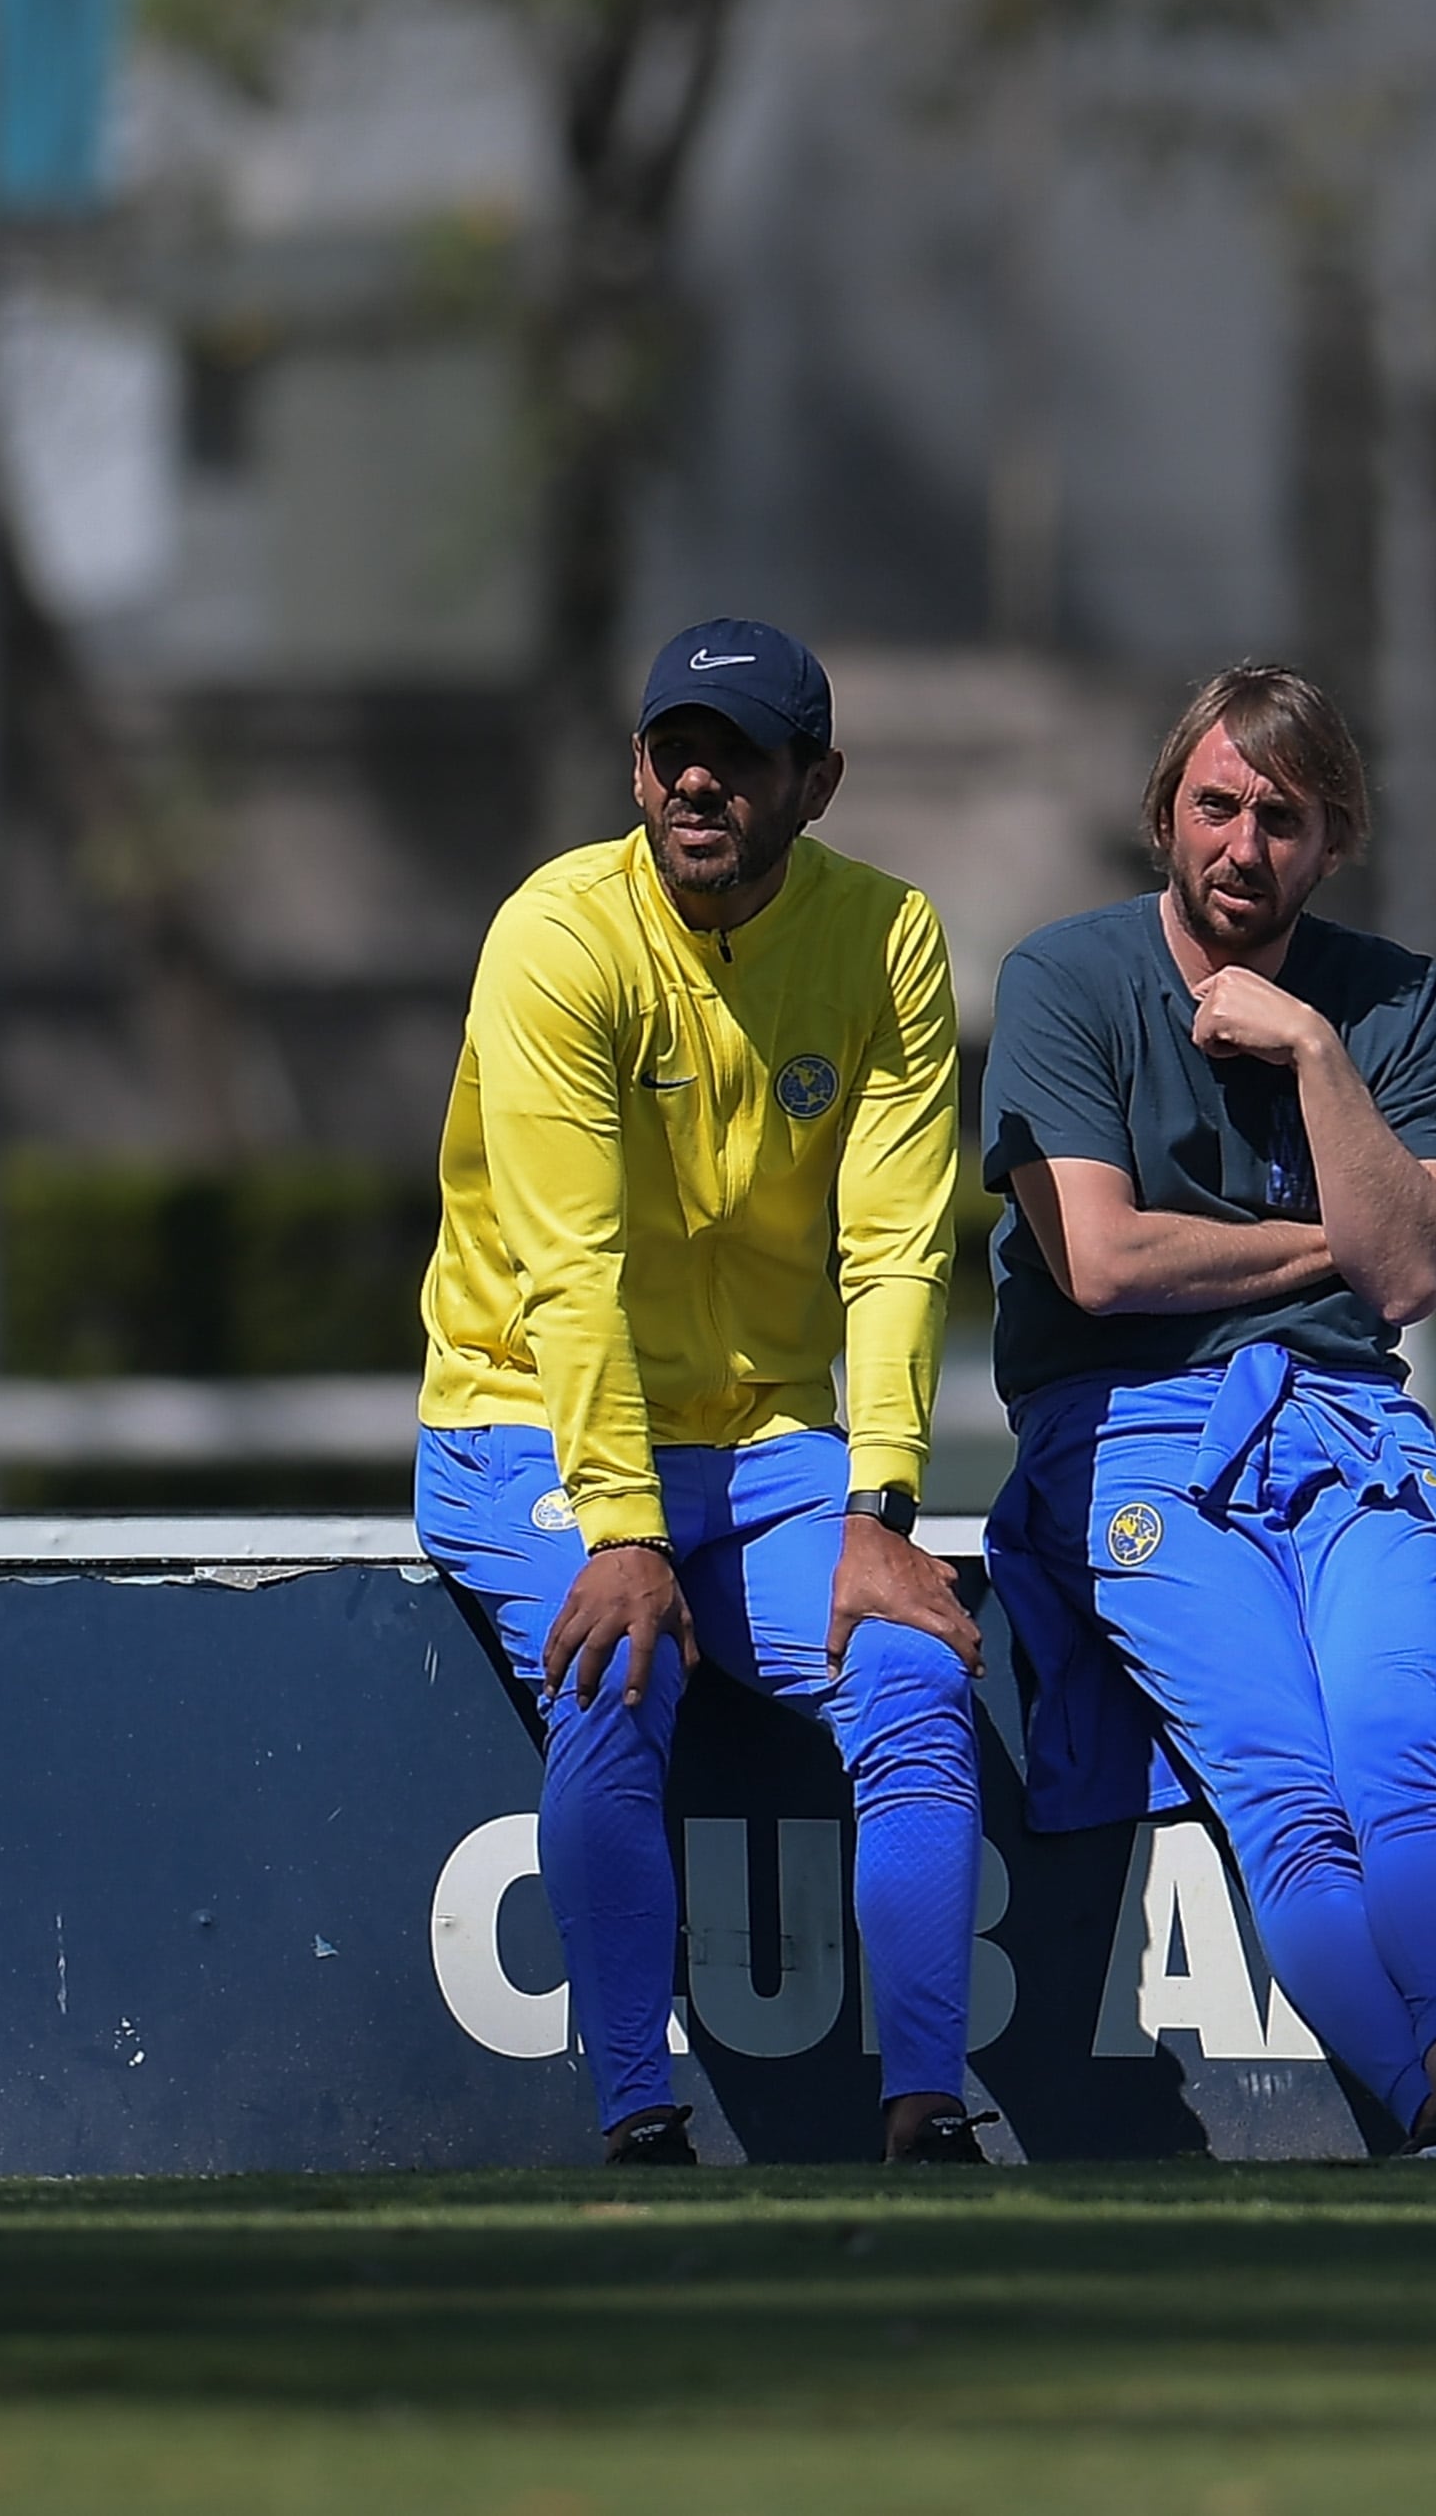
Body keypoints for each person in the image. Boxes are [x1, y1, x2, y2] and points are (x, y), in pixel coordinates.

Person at [414, 618, 987, 2166]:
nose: (696, 779)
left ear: (817, 783)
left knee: (918, 1676)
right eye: (673, 747)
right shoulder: (558, 938)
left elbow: (898, 1247)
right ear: (635, 767)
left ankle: (927, 2116)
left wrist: (882, 1506)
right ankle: (636, 2122)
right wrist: (622, 1527)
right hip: (522, 1415)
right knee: (621, 1670)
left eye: (738, 755)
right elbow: (570, 1267)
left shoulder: (889, 939)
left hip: (768, 1451)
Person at [976, 665, 1436, 2156]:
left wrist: (1311, 1049)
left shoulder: (1386, 997)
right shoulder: (1065, 978)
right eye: (1217, 806)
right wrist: (1326, 1246)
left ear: (1333, 839)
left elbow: (1413, 1271)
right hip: (1139, 1431)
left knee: (1402, 1759)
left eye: (1282, 819)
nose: (1245, 847)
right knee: (1286, 1795)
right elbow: (1100, 1263)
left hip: (1357, 1429)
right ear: (1164, 812)